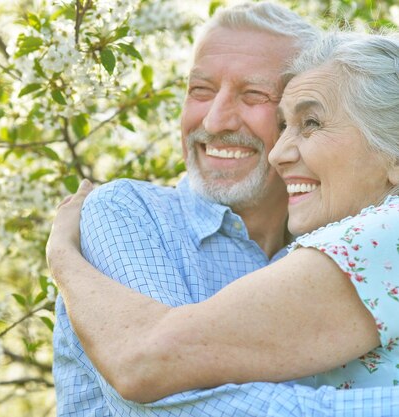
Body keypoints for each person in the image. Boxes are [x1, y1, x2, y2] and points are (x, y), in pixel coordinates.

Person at [51, 3, 399, 416]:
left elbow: (145, 365)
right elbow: (156, 402)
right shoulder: (128, 213)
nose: (215, 121)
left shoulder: (354, 236)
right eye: (199, 91)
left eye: (254, 95)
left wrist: (63, 261)